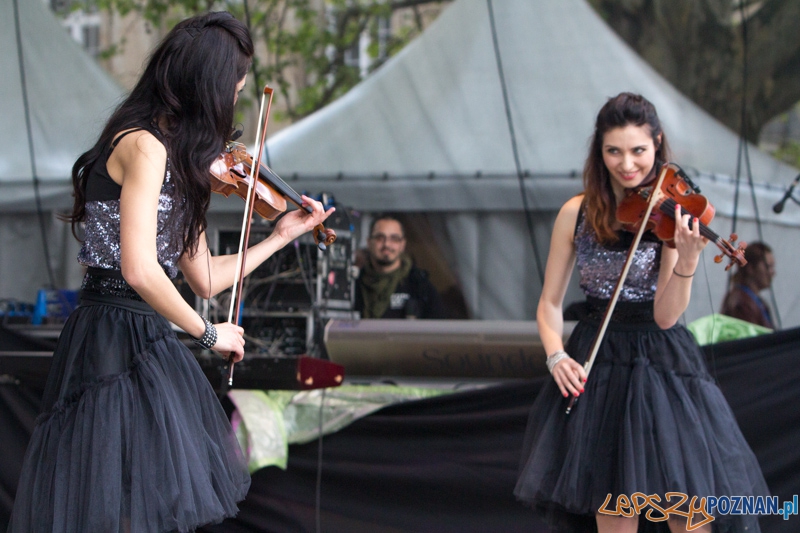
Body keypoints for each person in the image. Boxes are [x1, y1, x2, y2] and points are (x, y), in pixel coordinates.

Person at [9, 12, 333, 533]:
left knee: (137, 504)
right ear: (208, 85)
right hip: (112, 333)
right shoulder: (143, 145)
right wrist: (207, 333)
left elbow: (204, 277)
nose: (233, 103)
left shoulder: (179, 161)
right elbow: (139, 269)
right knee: (112, 505)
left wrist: (279, 236)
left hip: (143, 334)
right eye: (233, 88)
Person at [514, 93, 768, 533]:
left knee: (688, 514)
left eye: (638, 151)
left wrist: (687, 262)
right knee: (614, 510)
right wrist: (556, 355)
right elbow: (549, 304)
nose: (627, 164)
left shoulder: (671, 215)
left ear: (657, 145)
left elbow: (667, 316)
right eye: (614, 151)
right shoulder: (575, 213)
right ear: (600, 151)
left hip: (660, 360)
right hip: (599, 356)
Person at [354, 215, 445, 319]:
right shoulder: (354, 284)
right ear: (369, 242)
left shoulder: (419, 285)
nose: (387, 244)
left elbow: (438, 328)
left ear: (402, 244)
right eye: (380, 238)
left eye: (394, 239)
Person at [720, 241, 776, 329]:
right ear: (750, 268)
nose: (772, 273)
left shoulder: (755, 301)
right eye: (767, 267)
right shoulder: (741, 304)